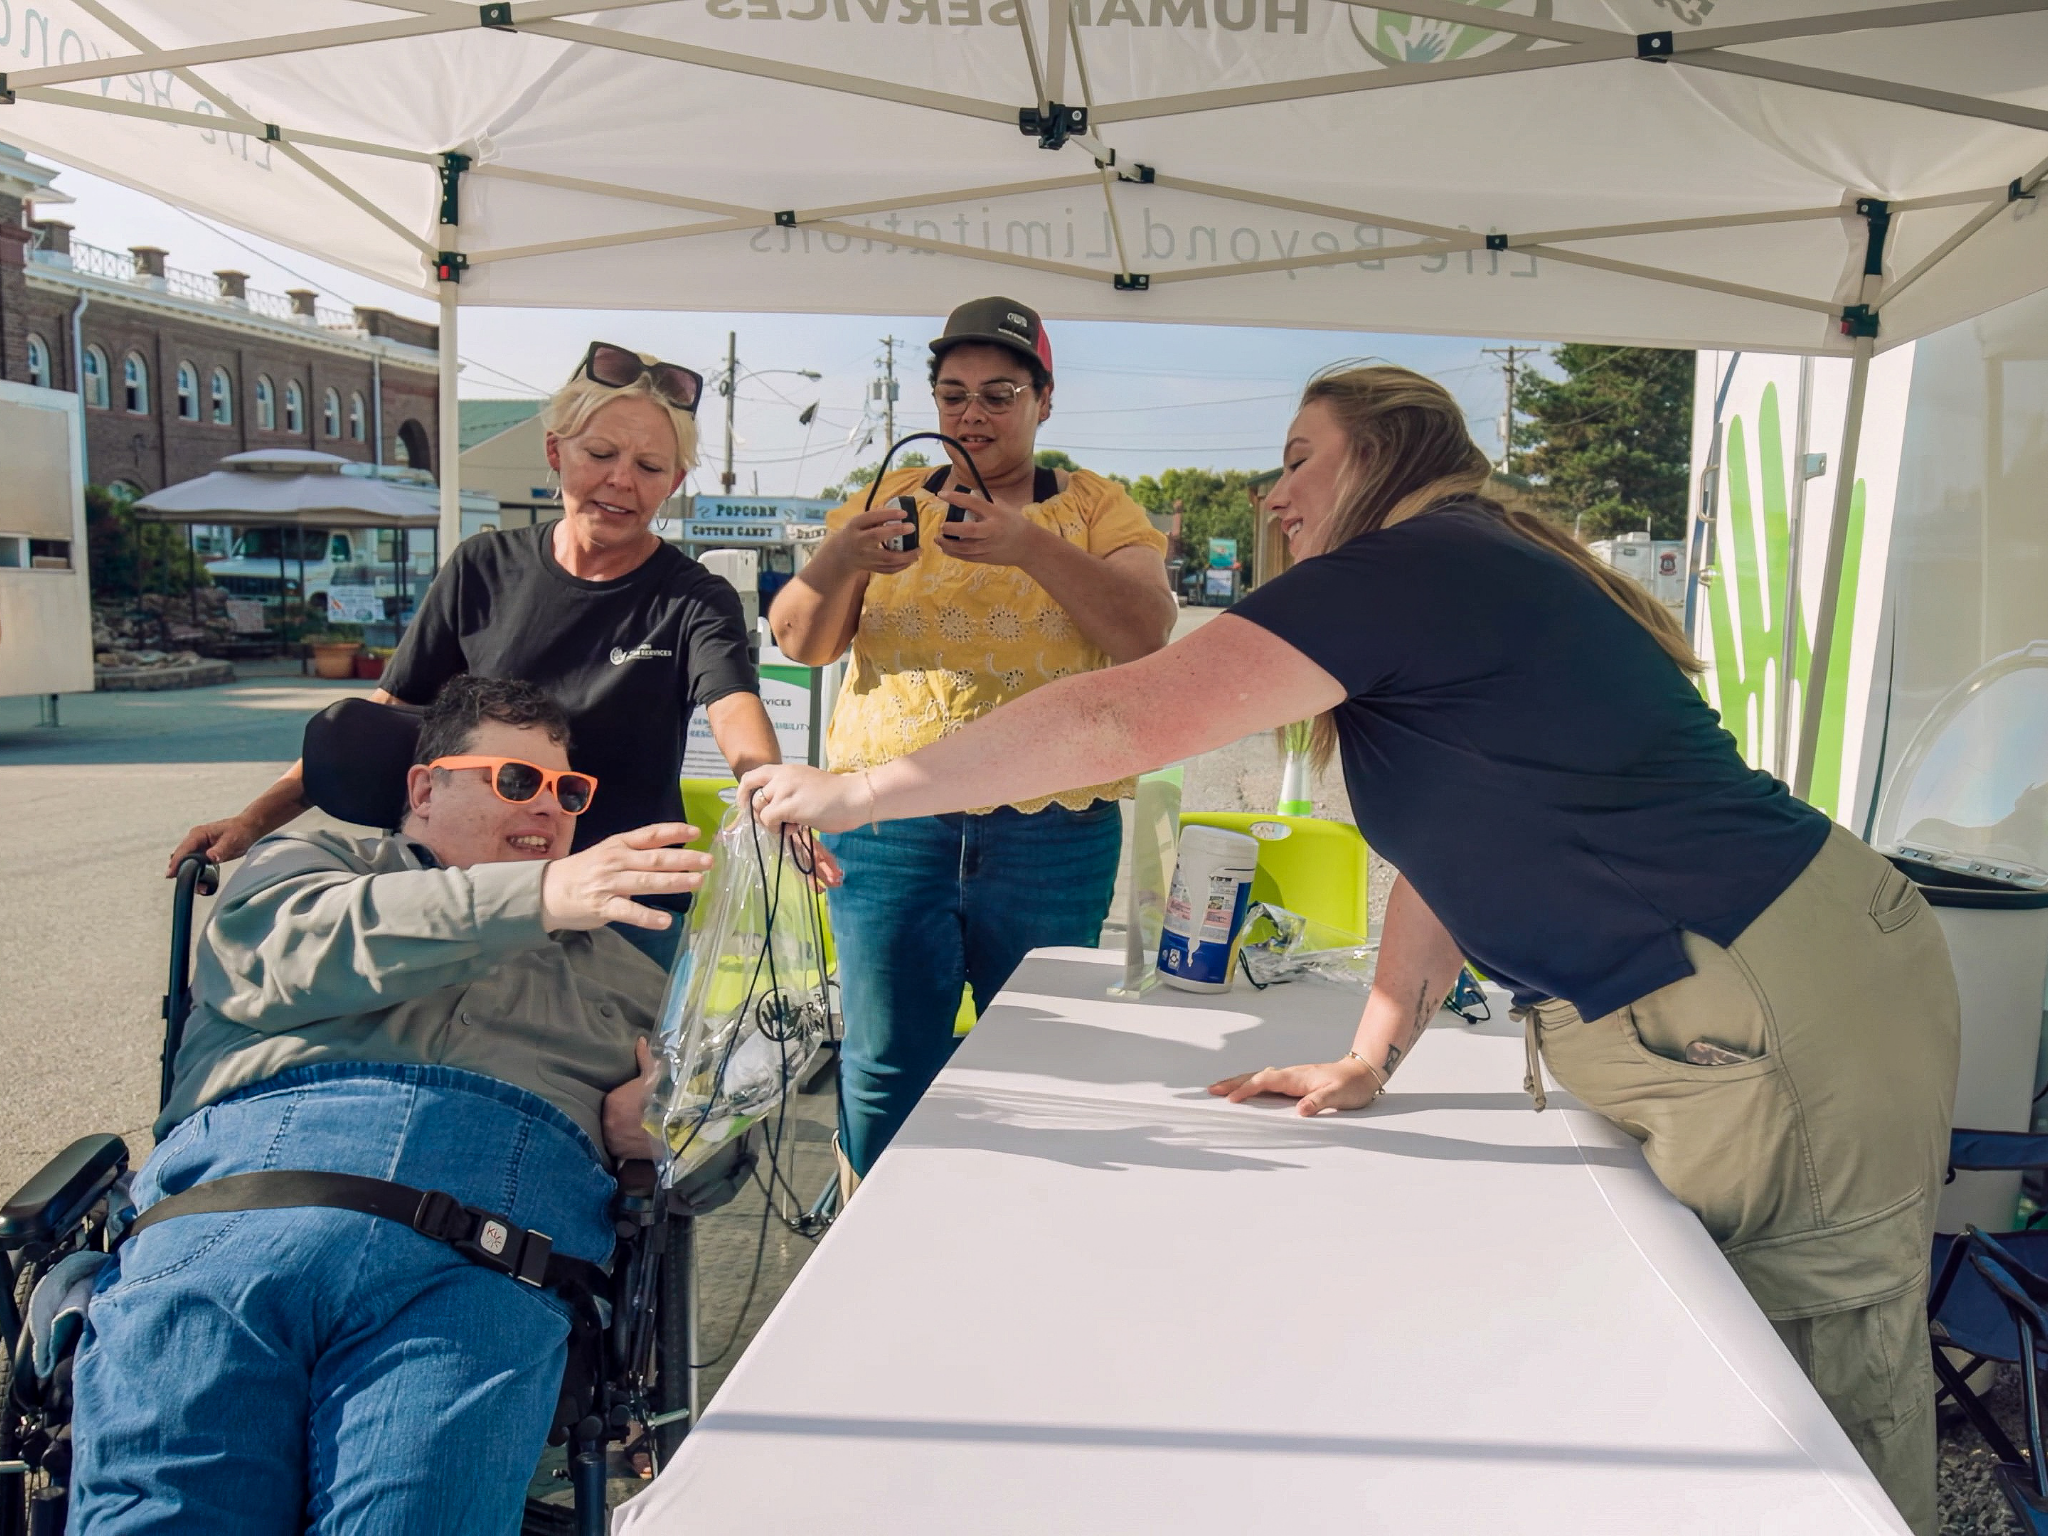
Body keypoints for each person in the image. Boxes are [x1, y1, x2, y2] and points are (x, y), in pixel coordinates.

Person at [741, 364, 1961, 1533]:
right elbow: (1449, 858)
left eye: (1295, 461)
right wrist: (1369, 1057)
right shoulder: (1467, 569)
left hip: (1769, 994)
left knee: (1809, 1387)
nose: (1270, 497)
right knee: (1723, 1367)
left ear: (1380, 457)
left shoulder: (1414, 566)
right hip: (1749, 986)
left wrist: (855, 792)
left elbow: (1126, 710)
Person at [72, 676, 693, 1535]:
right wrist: (539, 899)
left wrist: (660, 1131)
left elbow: (708, 1139)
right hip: (244, 1206)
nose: (551, 810)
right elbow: (280, 956)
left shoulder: (628, 968)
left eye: (568, 792)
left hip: (488, 1249)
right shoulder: (311, 868)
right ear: (424, 788)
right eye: (517, 780)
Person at [169, 340, 829, 968]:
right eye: (600, 453)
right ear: (555, 450)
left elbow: (732, 706)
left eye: (650, 467)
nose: (621, 480)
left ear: (675, 480)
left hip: (624, 904)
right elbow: (384, 714)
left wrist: (771, 794)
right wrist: (254, 821)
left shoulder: (692, 596)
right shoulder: (482, 567)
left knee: (619, 1079)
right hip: (473, 896)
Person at [767, 296, 1176, 1181]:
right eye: (953, 396)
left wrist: (1030, 547)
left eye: (999, 394)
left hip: (1052, 829)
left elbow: (1147, 630)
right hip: (888, 829)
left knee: (1043, 1060)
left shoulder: (1099, 510)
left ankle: (1018, 1240)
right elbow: (801, 643)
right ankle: (869, 1247)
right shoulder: (883, 502)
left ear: (1044, 402)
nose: (972, 415)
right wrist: (841, 558)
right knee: (882, 1063)